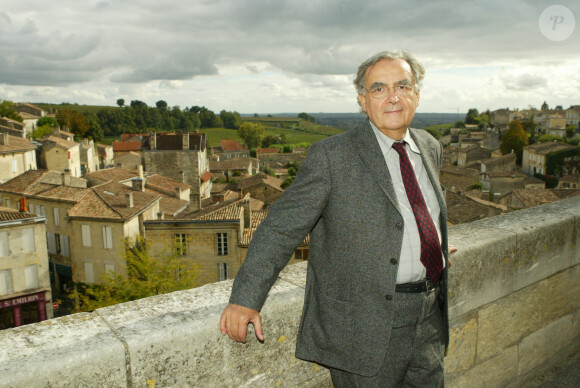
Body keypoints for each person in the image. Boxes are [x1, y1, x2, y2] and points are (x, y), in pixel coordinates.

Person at [220, 49, 450, 387]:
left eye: (403, 86)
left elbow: (416, 207)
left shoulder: (429, 146)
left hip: (430, 315)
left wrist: (433, 244)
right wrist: (245, 298)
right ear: (362, 99)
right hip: (364, 326)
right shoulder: (331, 157)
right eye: (379, 88)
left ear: (417, 93)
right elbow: (281, 228)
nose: (393, 97)